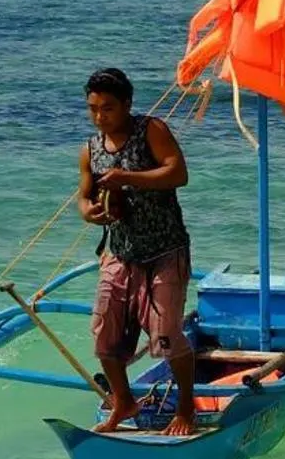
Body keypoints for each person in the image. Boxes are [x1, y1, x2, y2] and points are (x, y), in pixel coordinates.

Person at [76, 67, 197, 436]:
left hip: (164, 249)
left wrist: (128, 178)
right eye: (94, 108)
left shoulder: (151, 131)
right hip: (120, 252)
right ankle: (124, 400)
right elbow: (82, 197)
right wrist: (90, 213)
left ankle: (186, 407)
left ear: (127, 104)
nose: (100, 116)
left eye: (108, 108)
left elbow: (177, 173)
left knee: (165, 334)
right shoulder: (91, 148)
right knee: (103, 336)